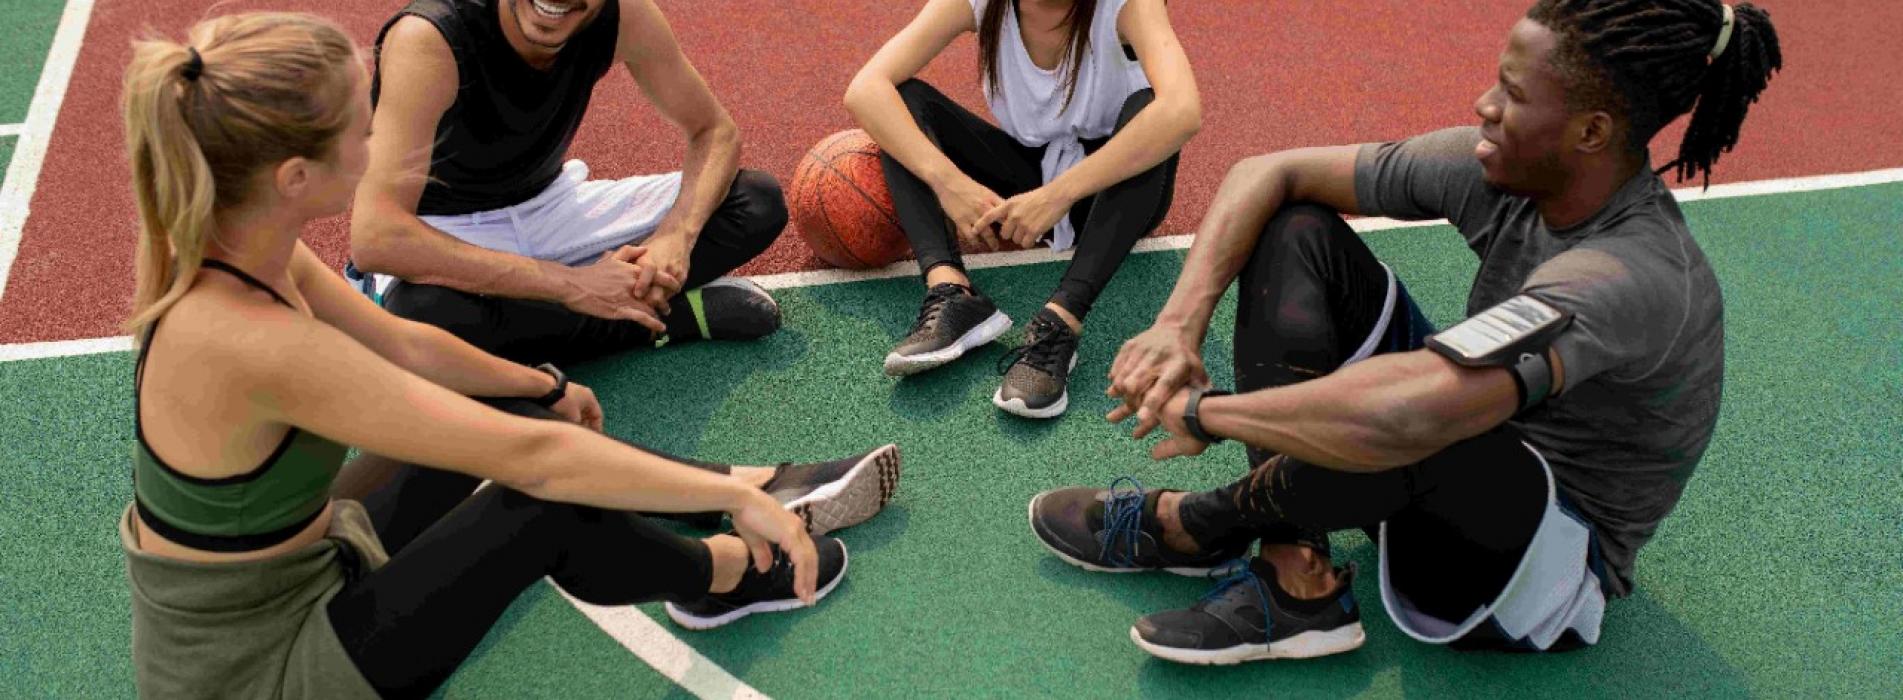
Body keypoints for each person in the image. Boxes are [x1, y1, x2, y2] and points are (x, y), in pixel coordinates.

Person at [117, 14, 899, 698]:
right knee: (542, 503)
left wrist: (541, 383)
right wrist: (735, 499)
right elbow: (534, 458)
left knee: (510, 417)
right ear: (294, 177)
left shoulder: (243, 247)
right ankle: (727, 570)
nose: (379, 142)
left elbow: (406, 344)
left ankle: (730, 517)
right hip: (268, 674)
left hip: (308, 572)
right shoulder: (251, 343)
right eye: (363, 129)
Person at [1028, 0, 1780, 663]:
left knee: (1433, 407)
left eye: (1513, 96)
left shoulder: (1627, 275)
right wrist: (1175, 326)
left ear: (1590, 130)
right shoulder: (1500, 171)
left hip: (1525, 569)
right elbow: (1269, 171)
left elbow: (1410, 411)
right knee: (1295, 230)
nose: (1484, 106)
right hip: (1434, 457)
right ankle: (1296, 581)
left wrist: (1204, 412)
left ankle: (1200, 522)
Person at [349, 0, 789, 367]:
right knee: (424, 317)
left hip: (552, 206)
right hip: (444, 230)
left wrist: (676, 235)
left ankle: (551, 329)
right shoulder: (430, 38)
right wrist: (573, 285)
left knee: (754, 202)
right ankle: (668, 322)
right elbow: (376, 237)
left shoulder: (624, 16)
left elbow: (715, 132)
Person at [845, 0, 1199, 418]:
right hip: (1028, 174)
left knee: (1151, 109)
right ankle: (951, 292)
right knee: (900, 103)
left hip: (1114, 195)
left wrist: (1058, 196)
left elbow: (1183, 110)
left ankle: (1060, 323)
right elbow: (865, 90)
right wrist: (950, 184)